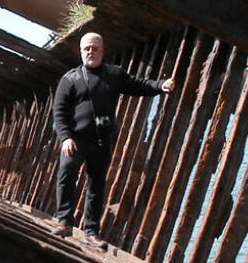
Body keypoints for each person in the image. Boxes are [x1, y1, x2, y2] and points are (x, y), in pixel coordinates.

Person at [52, 32, 175, 247]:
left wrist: (160, 85)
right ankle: (64, 222)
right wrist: (65, 138)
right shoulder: (69, 79)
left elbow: (138, 85)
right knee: (67, 173)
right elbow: (59, 111)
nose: (91, 51)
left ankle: (91, 231)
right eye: (87, 48)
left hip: (102, 140)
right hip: (76, 139)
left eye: (95, 48)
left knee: (96, 186)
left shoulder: (114, 74)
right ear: (81, 51)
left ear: (102, 51)